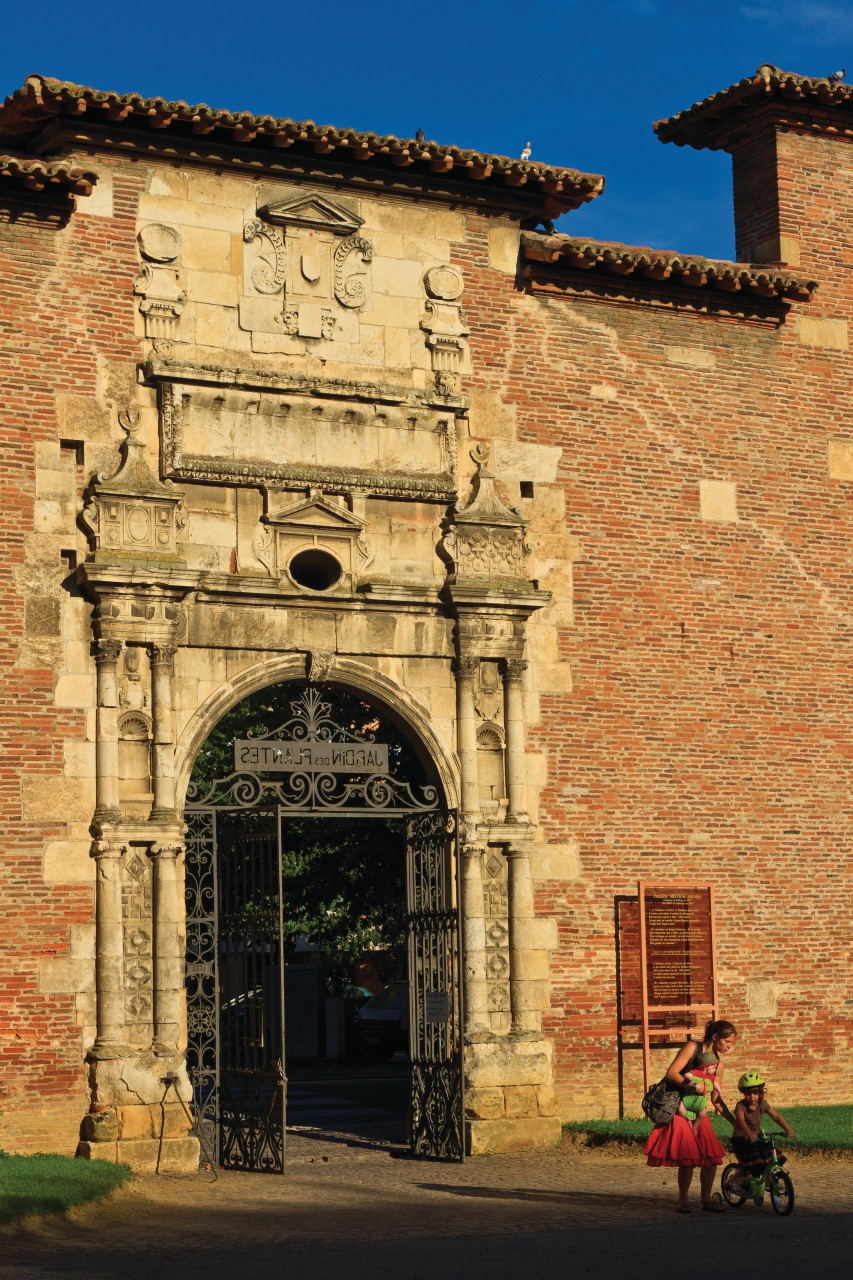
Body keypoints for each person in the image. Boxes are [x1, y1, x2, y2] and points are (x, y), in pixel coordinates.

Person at [643, 1017, 737, 1212]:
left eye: (731, 1043)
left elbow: (716, 1099)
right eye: (726, 1041)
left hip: (699, 1110)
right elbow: (672, 1073)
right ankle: (683, 1200)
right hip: (681, 1107)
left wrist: (735, 1123)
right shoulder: (692, 1047)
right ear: (714, 1037)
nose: (729, 1046)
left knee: (710, 1157)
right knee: (688, 1157)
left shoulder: (718, 1065)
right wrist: (694, 1085)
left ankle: (706, 1200)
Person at [729, 1070, 795, 1200]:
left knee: (769, 1153)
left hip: (755, 1137)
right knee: (750, 1160)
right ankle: (734, 1180)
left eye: (755, 1093)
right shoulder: (740, 1106)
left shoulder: (762, 1104)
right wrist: (748, 1133)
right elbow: (740, 1121)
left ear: (760, 1093)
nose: (752, 1097)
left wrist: (787, 1128)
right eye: (748, 1094)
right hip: (741, 1137)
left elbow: (776, 1116)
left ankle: (770, 1178)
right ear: (743, 1093)